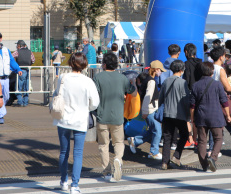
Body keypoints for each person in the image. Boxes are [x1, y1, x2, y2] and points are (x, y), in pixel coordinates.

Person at [53, 52, 100, 194]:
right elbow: (95, 103)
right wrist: (87, 108)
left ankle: (63, 181)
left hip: (63, 119)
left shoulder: (63, 77)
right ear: (84, 64)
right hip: (80, 119)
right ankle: (75, 185)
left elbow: (56, 94)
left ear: (71, 63)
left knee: (63, 152)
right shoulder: (88, 81)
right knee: (78, 153)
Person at [93, 52, 137, 182]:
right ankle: (118, 158)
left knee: (103, 144)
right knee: (118, 142)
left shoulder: (98, 77)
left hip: (102, 116)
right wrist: (133, 83)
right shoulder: (122, 78)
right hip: (118, 117)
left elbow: (94, 96)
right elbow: (133, 93)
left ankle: (107, 172)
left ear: (104, 64)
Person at [190, 62, 231, 172]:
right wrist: (228, 115)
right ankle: (213, 157)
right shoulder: (217, 84)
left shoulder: (195, 85)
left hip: (201, 116)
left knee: (202, 141)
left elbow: (192, 105)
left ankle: (204, 165)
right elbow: (224, 102)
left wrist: (192, 118)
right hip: (215, 115)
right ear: (212, 72)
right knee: (218, 138)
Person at [158, 59, 192, 170]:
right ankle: (176, 156)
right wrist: (188, 116)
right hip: (179, 114)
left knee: (167, 138)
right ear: (182, 70)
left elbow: (161, 98)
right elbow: (186, 100)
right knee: (184, 135)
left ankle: (164, 162)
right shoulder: (183, 83)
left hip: (167, 113)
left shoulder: (166, 81)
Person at [130, 60, 163, 160]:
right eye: (160, 70)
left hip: (149, 109)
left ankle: (135, 141)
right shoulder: (152, 81)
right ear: (156, 70)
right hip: (150, 110)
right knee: (157, 131)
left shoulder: (147, 79)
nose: (161, 72)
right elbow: (147, 97)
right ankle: (154, 152)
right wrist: (145, 111)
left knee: (152, 131)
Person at [13, 40, 34, 107]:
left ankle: (20, 102)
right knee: (26, 87)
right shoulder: (30, 52)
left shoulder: (17, 52)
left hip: (20, 71)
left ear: (19, 46)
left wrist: (15, 65)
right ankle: (25, 102)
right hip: (28, 70)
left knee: (19, 87)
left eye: (17, 45)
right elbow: (33, 60)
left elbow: (11, 58)